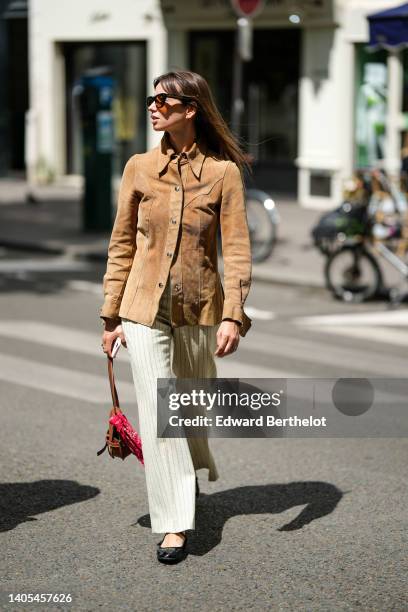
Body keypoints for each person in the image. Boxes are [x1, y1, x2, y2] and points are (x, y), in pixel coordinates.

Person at [99, 69, 252, 564]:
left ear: (190, 110)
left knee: (188, 407)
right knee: (162, 412)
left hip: (199, 309)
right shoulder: (139, 167)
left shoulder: (223, 173)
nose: (153, 107)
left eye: (163, 101)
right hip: (142, 310)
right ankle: (174, 524)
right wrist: (111, 316)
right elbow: (122, 244)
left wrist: (233, 315)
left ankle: (189, 471)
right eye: (151, 100)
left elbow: (237, 249)